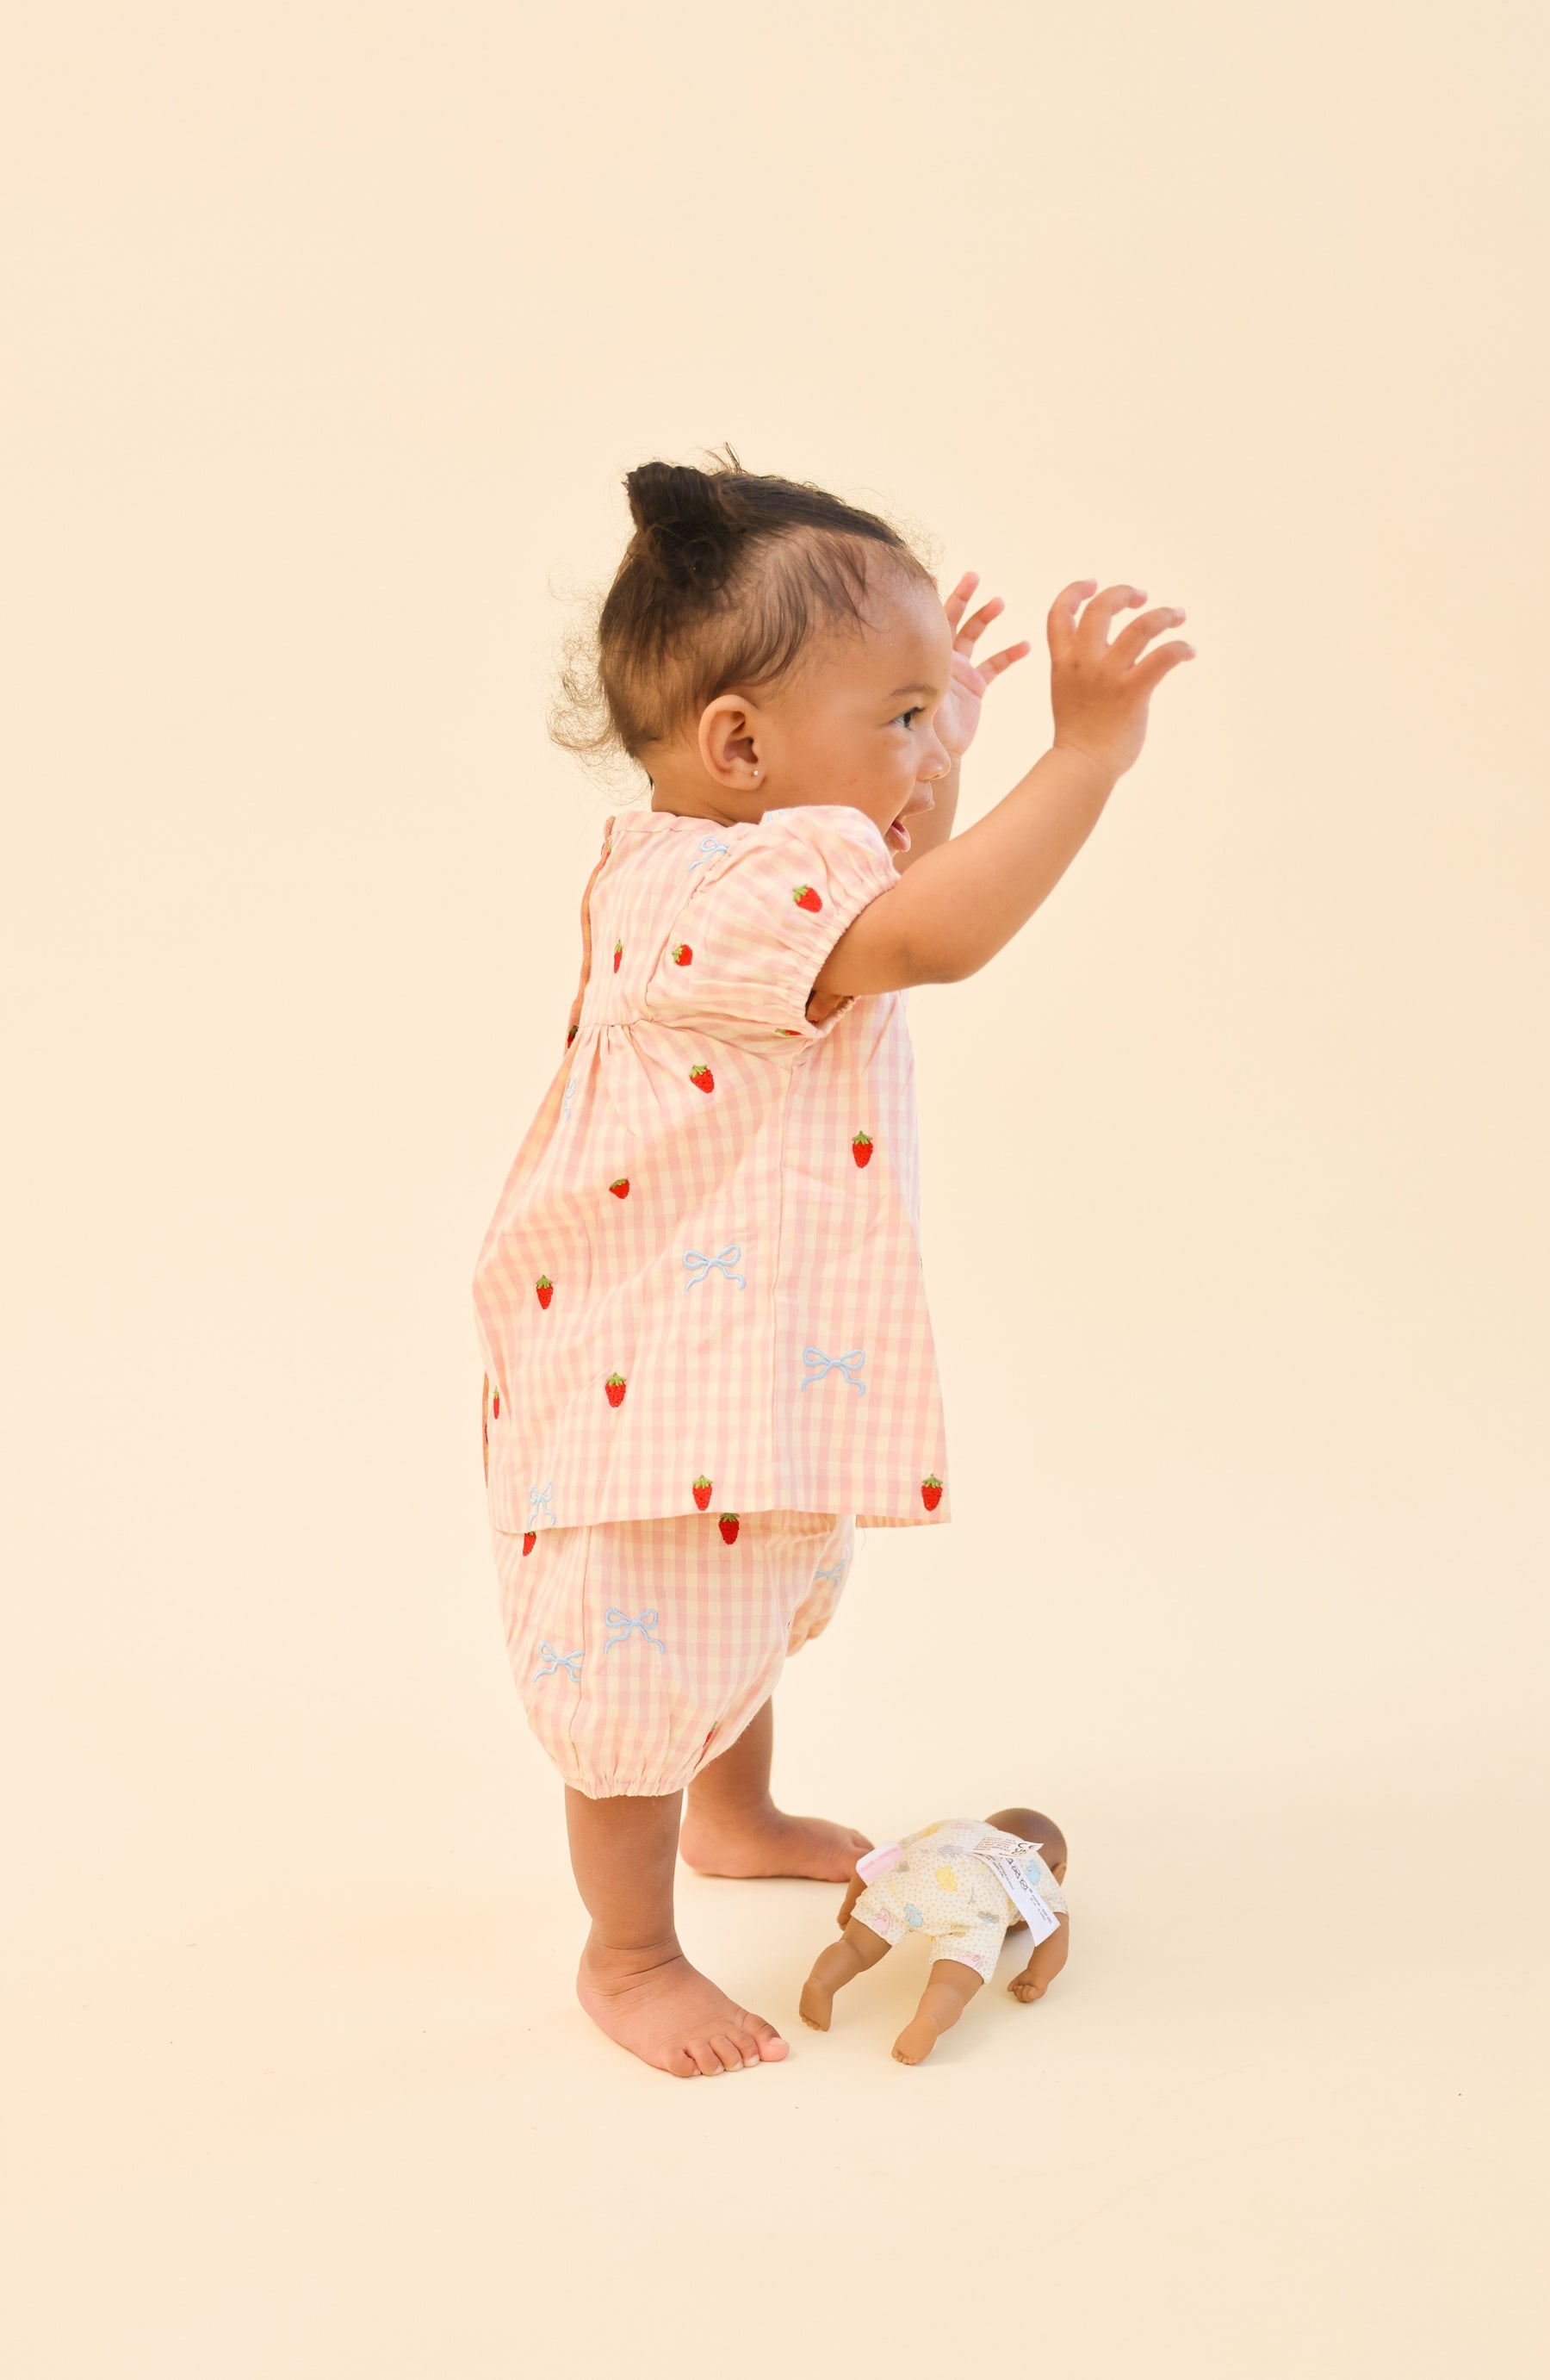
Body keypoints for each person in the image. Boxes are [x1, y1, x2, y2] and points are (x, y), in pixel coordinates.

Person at [471, 447, 1193, 2079]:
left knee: (738, 1608)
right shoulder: (735, 888)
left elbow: (907, 876)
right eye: (902, 717)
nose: (930, 754)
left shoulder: (743, 850)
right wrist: (1086, 755)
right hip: (643, 1382)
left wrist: (931, 748)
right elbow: (940, 928)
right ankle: (629, 1950)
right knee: (640, 1674)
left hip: (721, 1359)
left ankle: (736, 1813)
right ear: (741, 746)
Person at [798, 1808, 1070, 2065]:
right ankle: (929, 2020)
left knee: (854, 1947)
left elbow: (879, 1859)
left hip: (911, 1880)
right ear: (1059, 1872)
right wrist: (1037, 1976)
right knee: (951, 1985)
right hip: (974, 1911)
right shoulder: (1038, 1868)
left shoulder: (957, 1826)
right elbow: (1056, 1930)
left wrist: (852, 1905)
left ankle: (822, 1982)